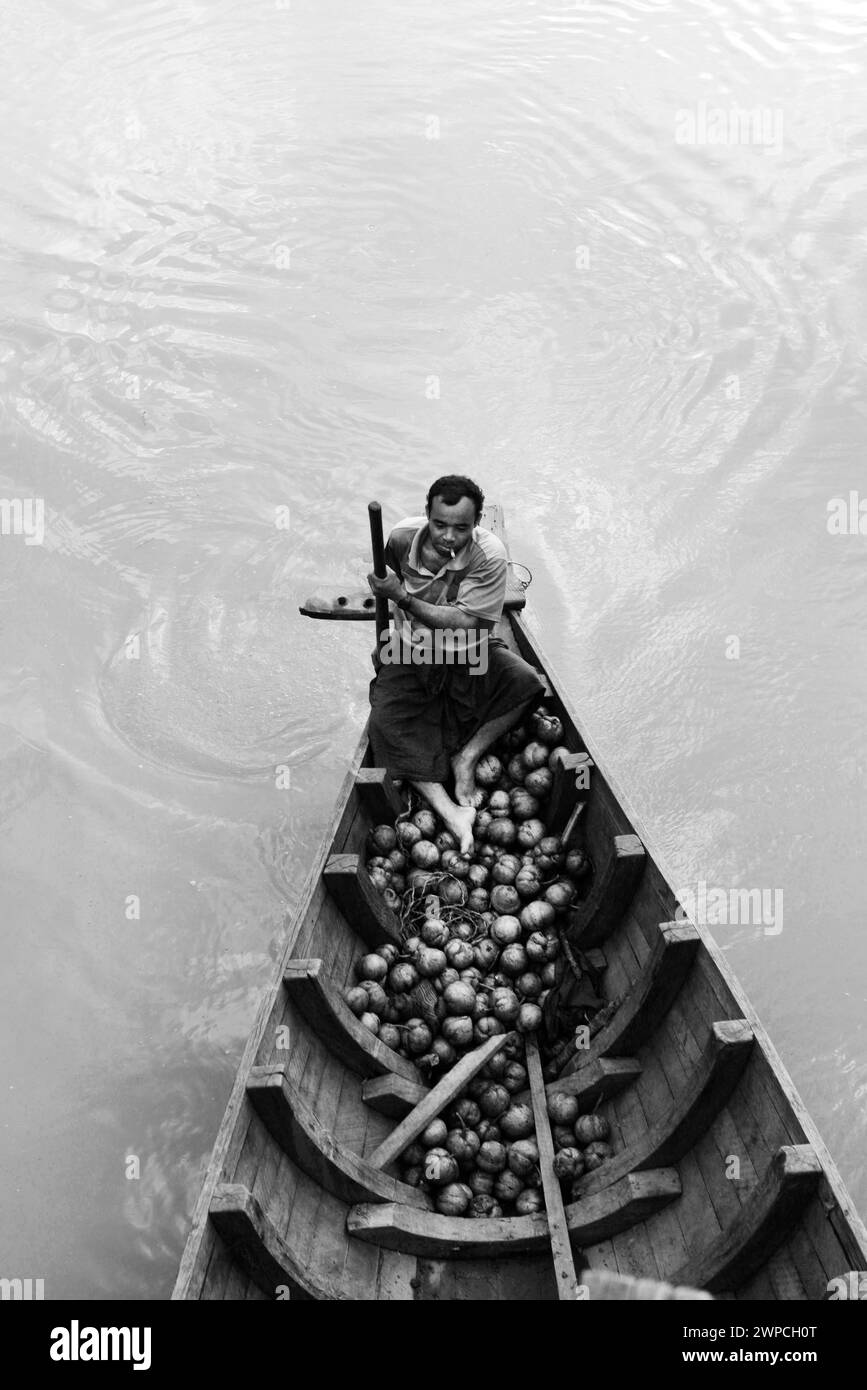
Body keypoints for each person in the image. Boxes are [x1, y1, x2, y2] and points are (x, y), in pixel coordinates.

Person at [367, 475, 545, 854]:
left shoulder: (490, 555)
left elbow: (469, 621)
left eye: (461, 527)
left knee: (526, 683)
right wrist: (388, 611)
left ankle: (467, 756)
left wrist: (403, 597)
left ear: (477, 522)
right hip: (413, 650)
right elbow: (387, 577)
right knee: (383, 722)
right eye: (440, 524)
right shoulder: (400, 538)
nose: (448, 536)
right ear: (426, 515)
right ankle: (449, 811)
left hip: (469, 650)